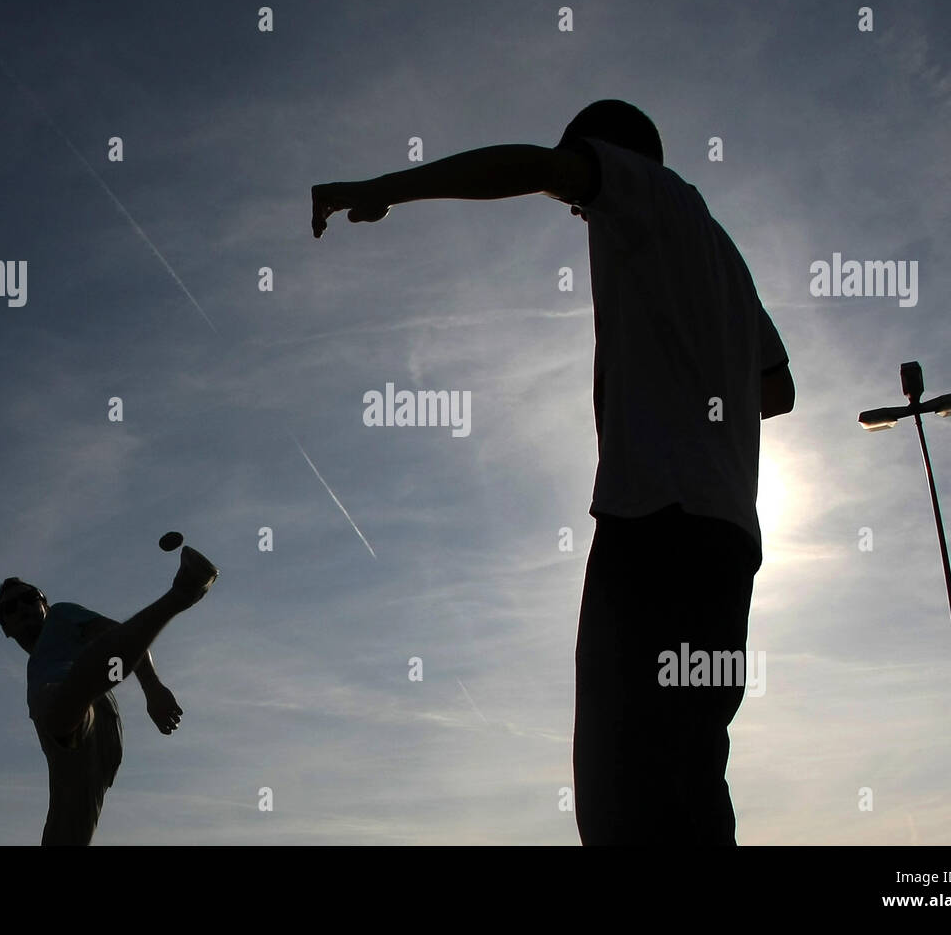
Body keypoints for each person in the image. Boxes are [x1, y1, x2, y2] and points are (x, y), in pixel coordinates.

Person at [311, 99, 795, 845]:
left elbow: (535, 167)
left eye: (579, 196)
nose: (575, 213)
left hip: (655, 525)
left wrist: (384, 189)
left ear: (606, 157)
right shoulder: (721, 252)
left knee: (620, 793)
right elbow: (778, 389)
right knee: (688, 775)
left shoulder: (645, 194)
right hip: (726, 547)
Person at [0, 546, 219, 844]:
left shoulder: (60, 617)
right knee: (66, 828)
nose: (21, 607)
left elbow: (113, 631)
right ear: (5, 629)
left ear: (45, 605)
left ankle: (180, 594)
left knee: (61, 703)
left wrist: (152, 688)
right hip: (85, 741)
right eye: (10, 608)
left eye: (28, 599)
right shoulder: (36, 661)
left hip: (80, 703)